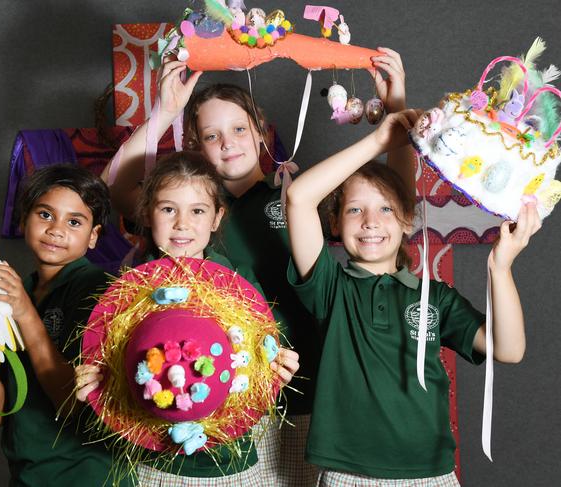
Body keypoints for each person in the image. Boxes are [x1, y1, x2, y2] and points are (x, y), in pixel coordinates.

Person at [101, 48, 411, 486]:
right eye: (211, 136)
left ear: (262, 131)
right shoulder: (192, 213)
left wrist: (396, 112)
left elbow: (397, 201)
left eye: (239, 129)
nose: (227, 143)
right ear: (195, 145)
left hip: (304, 390)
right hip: (226, 393)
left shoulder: (297, 196)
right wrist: (165, 111)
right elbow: (115, 192)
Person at [284, 109, 541, 486]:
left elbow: (509, 349)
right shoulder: (331, 288)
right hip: (348, 473)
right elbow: (299, 197)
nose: (370, 221)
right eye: (355, 210)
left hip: (430, 473)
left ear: (407, 221)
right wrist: (378, 142)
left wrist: (500, 268)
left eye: (385, 209)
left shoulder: (435, 297)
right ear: (335, 224)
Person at [76, 151, 300, 485]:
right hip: (158, 468)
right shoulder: (128, 290)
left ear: (216, 218)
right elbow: (112, 373)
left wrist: (277, 371)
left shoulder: (238, 284)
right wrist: (94, 383)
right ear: (148, 214)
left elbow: (258, 365)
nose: (182, 223)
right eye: (168, 209)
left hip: (234, 463)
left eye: (197, 211)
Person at [0, 164, 136, 486]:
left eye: (74, 221)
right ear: (23, 218)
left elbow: (72, 406)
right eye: (45, 215)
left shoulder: (100, 290)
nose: (56, 229)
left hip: (88, 475)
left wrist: (25, 315)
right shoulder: (17, 291)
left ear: (93, 237)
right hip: (28, 475)